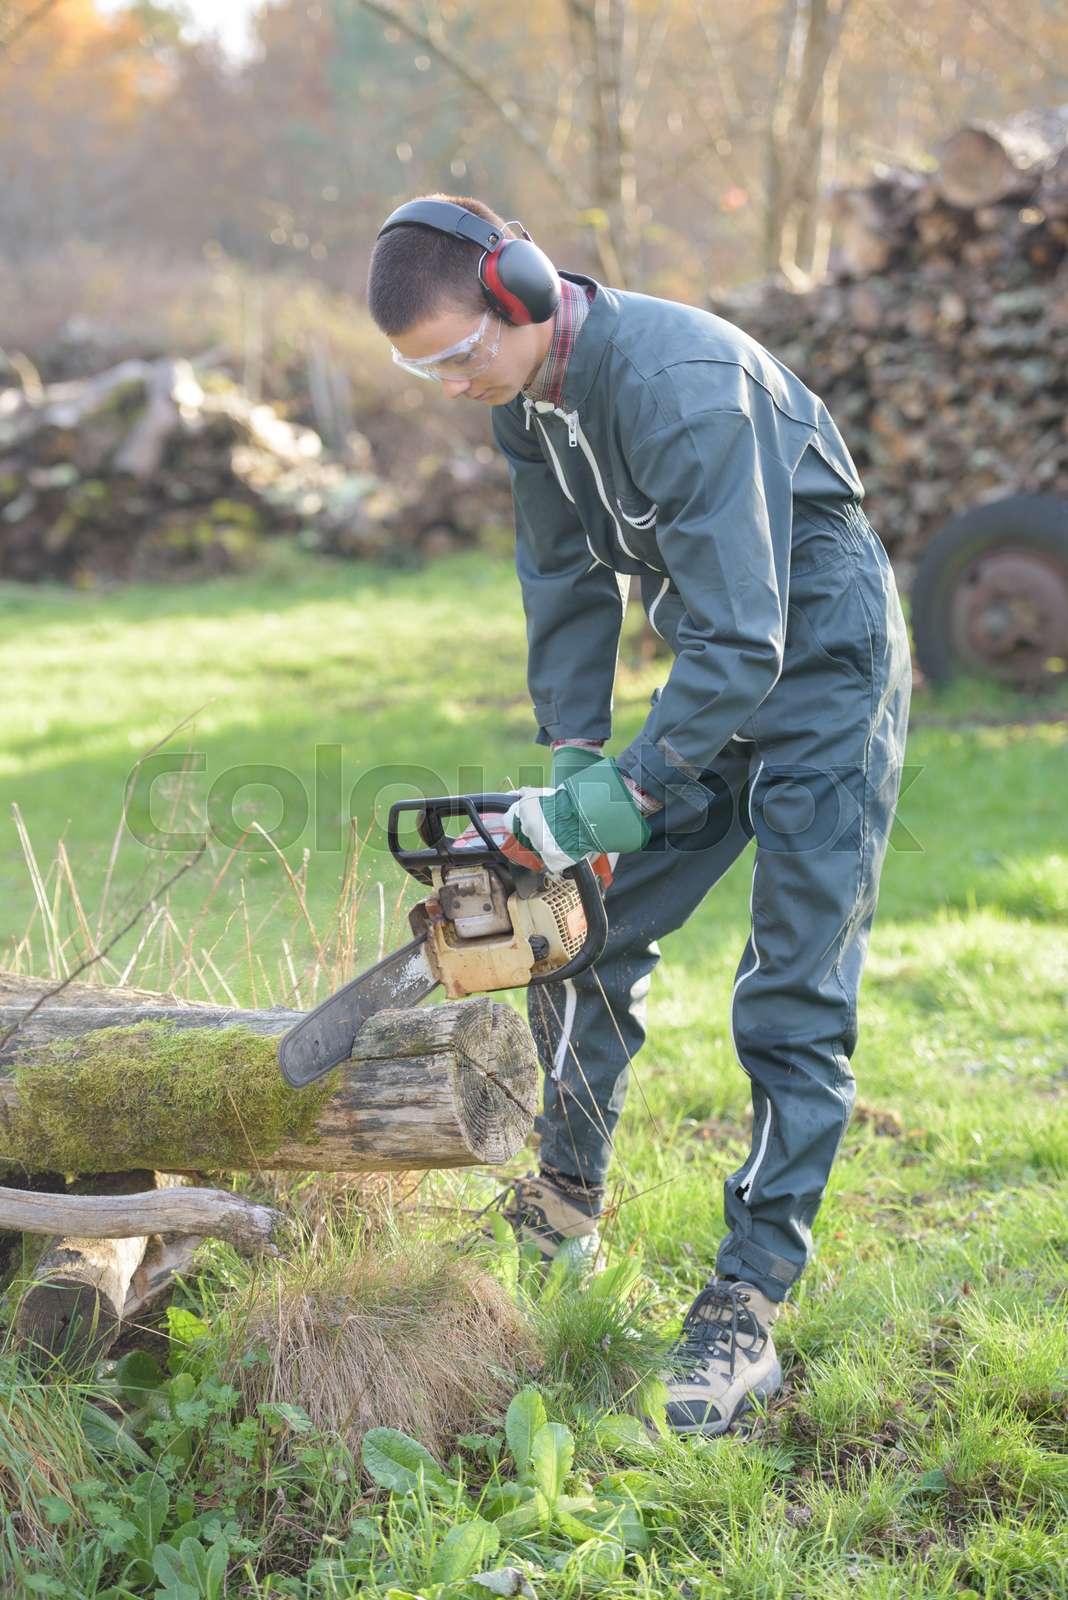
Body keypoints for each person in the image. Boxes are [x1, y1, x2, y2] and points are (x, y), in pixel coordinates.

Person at [366, 194, 912, 1438]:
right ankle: (564, 1203)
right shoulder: (531, 409)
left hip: (820, 657)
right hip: (716, 661)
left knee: (794, 981)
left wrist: (619, 794)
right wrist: (572, 779)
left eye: (460, 355)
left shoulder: (680, 385)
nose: (451, 385)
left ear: (523, 286)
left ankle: (749, 1298)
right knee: (580, 925)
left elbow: (746, 638)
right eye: (422, 368)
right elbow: (562, 585)